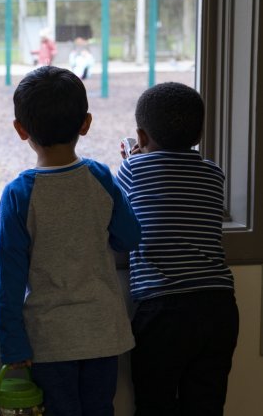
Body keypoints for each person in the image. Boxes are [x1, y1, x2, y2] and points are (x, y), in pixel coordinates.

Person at [0, 66, 141, 415]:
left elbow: (10, 280)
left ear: (20, 129)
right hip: (103, 332)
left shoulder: (18, 194)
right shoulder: (99, 176)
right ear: (85, 124)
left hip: (50, 338)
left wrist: (12, 344)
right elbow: (129, 237)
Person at [117, 82, 238, 416]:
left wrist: (133, 158)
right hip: (218, 306)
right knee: (207, 402)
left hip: (162, 308)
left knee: (155, 403)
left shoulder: (132, 169)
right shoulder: (215, 173)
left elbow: (121, 210)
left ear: (140, 136)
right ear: (199, 133)